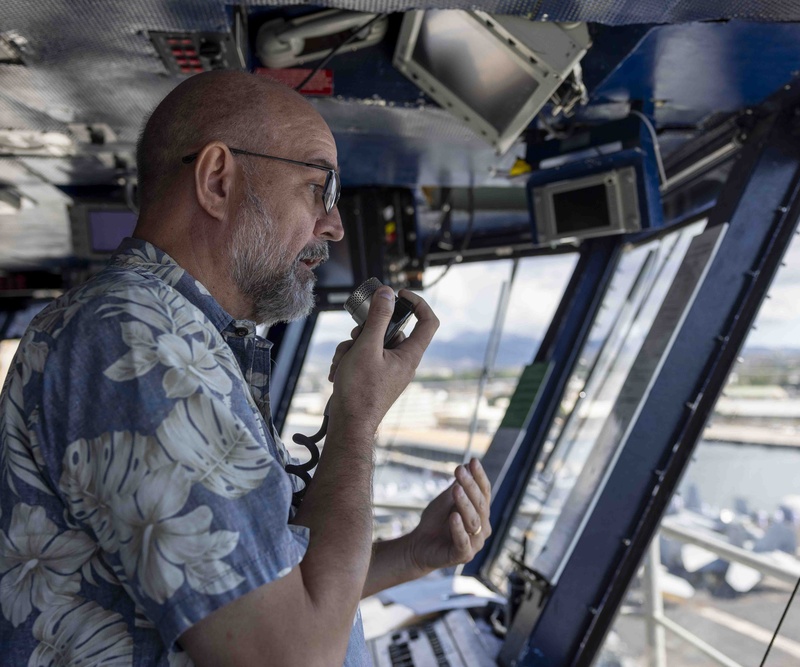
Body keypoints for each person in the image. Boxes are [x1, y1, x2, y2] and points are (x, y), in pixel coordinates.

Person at [0, 70, 492, 666]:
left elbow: (257, 595)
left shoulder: (180, 338)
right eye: (318, 188)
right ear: (217, 180)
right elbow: (287, 656)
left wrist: (412, 554)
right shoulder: (137, 343)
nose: (333, 224)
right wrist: (356, 416)